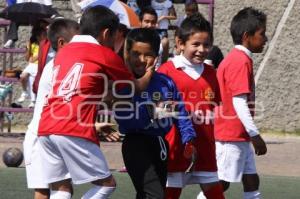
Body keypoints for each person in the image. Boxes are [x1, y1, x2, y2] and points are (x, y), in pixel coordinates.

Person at [37, 6, 155, 199]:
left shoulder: (64, 51)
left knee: (61, 189)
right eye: (114, 38)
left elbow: (87, 87)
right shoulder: (102, 53)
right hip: (72, 127)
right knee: (106, 185)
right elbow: (135, 87)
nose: (113, 43)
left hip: (46, 127)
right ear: (106, 33)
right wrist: (151, 71)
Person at [115, 28, 197, 199]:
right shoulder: (124, 84)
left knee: (148, 195)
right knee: (154, 195)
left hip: (160, 145)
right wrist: (158, 110)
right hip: (135, 144)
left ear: (157, 57)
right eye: (136, 54)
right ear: (127, 54)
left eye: (148, 55)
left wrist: (188, 139)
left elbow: (180, 110)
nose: (142, 60)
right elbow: (127, 121)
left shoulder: (165, 82)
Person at [158, 13, 225, 199]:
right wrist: (176, 112)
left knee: (216, 194)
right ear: (180, 43)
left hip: (205, 149)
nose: (202, 49)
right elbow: (156, 111)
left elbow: (213, 108)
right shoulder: (166, 71)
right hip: (176, 148)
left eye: (206, 45)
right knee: (170, 194)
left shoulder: (212, 73)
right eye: (195, 44)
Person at [214, 7, 268, 199]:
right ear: (247, 36)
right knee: (221, 183)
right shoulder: (239, 60)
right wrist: (255, 134)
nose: (266, 39)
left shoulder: (240, 58)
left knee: (251, 179)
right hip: (231, 134)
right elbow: (238, 102)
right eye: (262, 34)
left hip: (239, 134)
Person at [23, 18, 79, 199]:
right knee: (45, 190)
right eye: (77, 41)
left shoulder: (62, 66)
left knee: (63, 188)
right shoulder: (55, 67)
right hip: (41, 136)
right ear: (62, 43)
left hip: (52, 134)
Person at [17, 25, 47, 108]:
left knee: (31, 79)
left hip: (40, 65)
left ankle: (33, 101)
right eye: (38, 35)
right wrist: (28, 47)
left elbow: (40, 56)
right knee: (23, 76)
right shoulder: (33, 43)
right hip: (33, 65)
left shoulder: (46, 43)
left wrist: (36, 57)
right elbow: (28, 59)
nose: (40, 36)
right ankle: (24, 92)